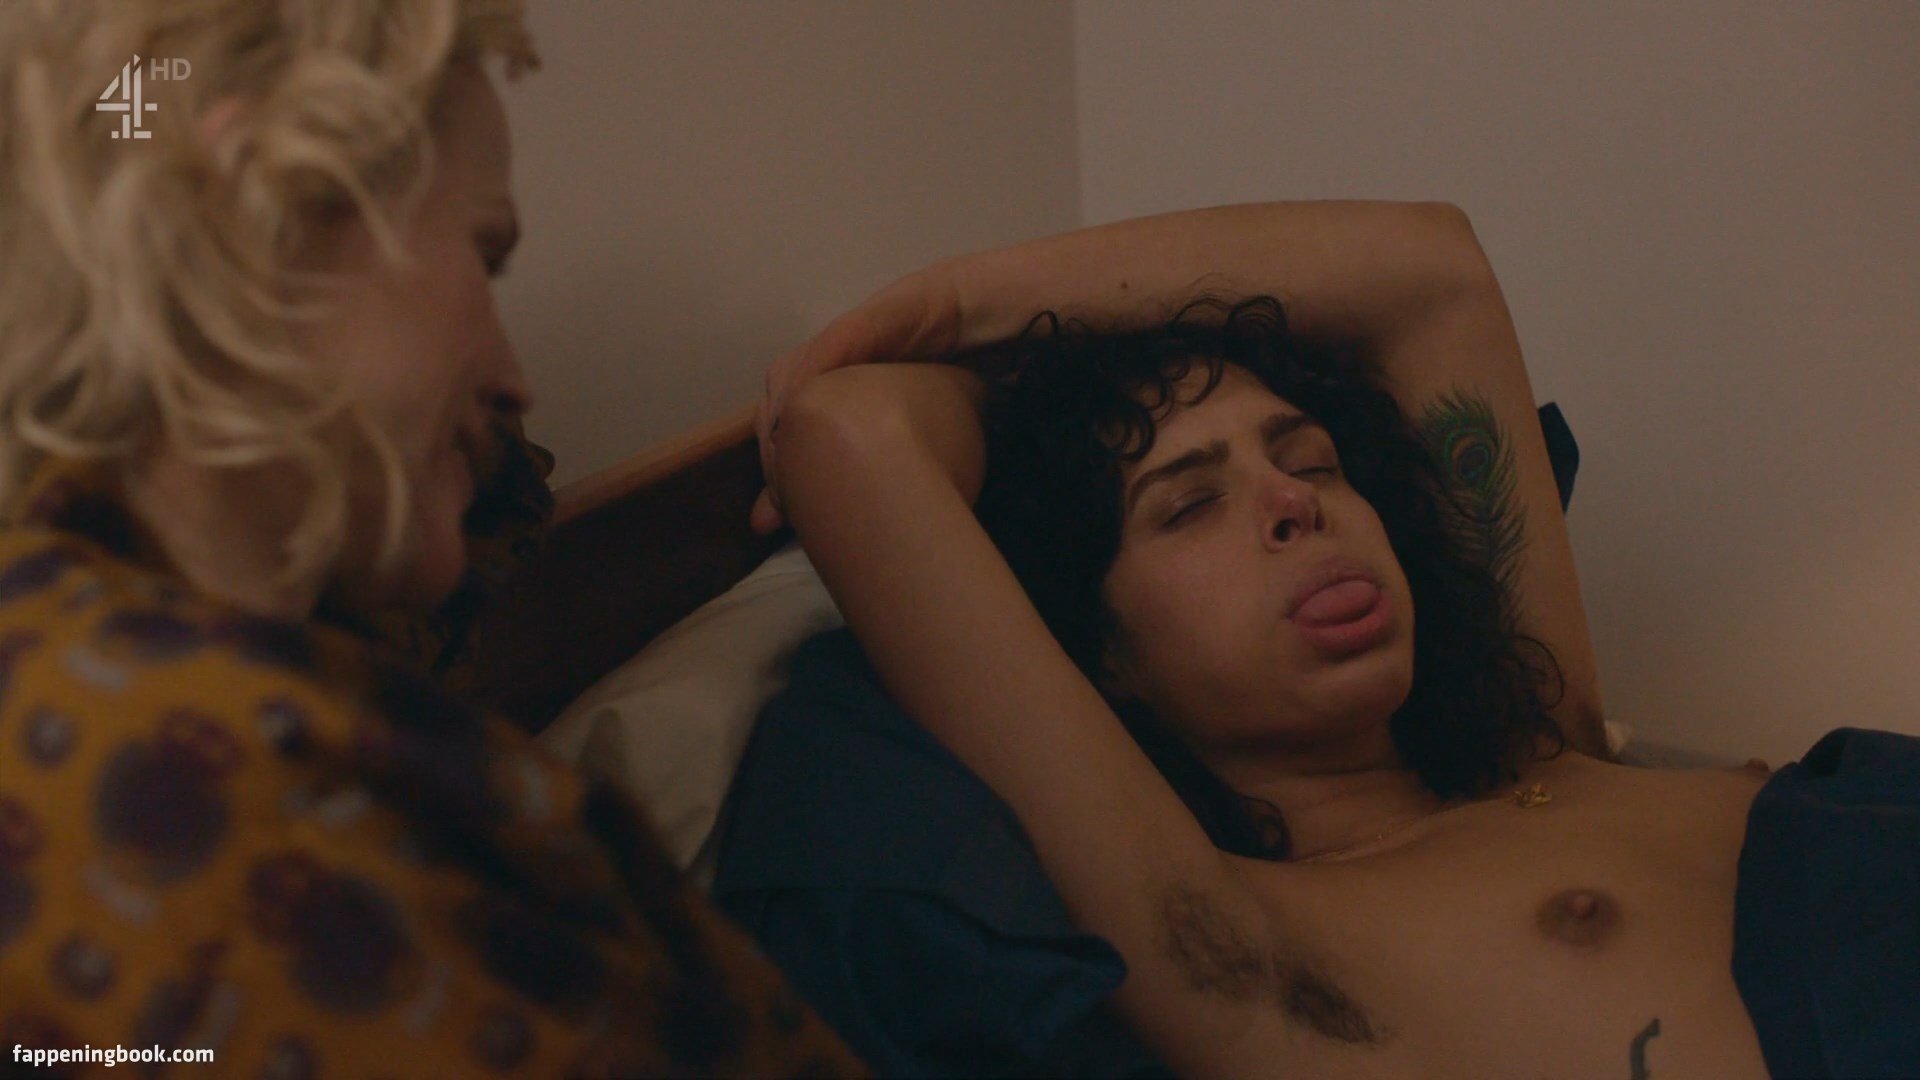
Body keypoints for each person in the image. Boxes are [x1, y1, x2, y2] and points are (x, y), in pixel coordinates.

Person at [751, 201, 1920, 1077]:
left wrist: (965, 304)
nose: (1293, 503)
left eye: (1310, 461)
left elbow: (1429, 268)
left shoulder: (1537, 732)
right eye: (1189, 506)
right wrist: (1042, 398)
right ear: (1105, 656)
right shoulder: (1241, 945)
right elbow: (850, 431)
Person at [0, 1, 865, 1074]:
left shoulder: (94, 633)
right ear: (259, 217)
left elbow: (125, 129)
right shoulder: (241, 805)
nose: (515, 378)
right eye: (484, 256)